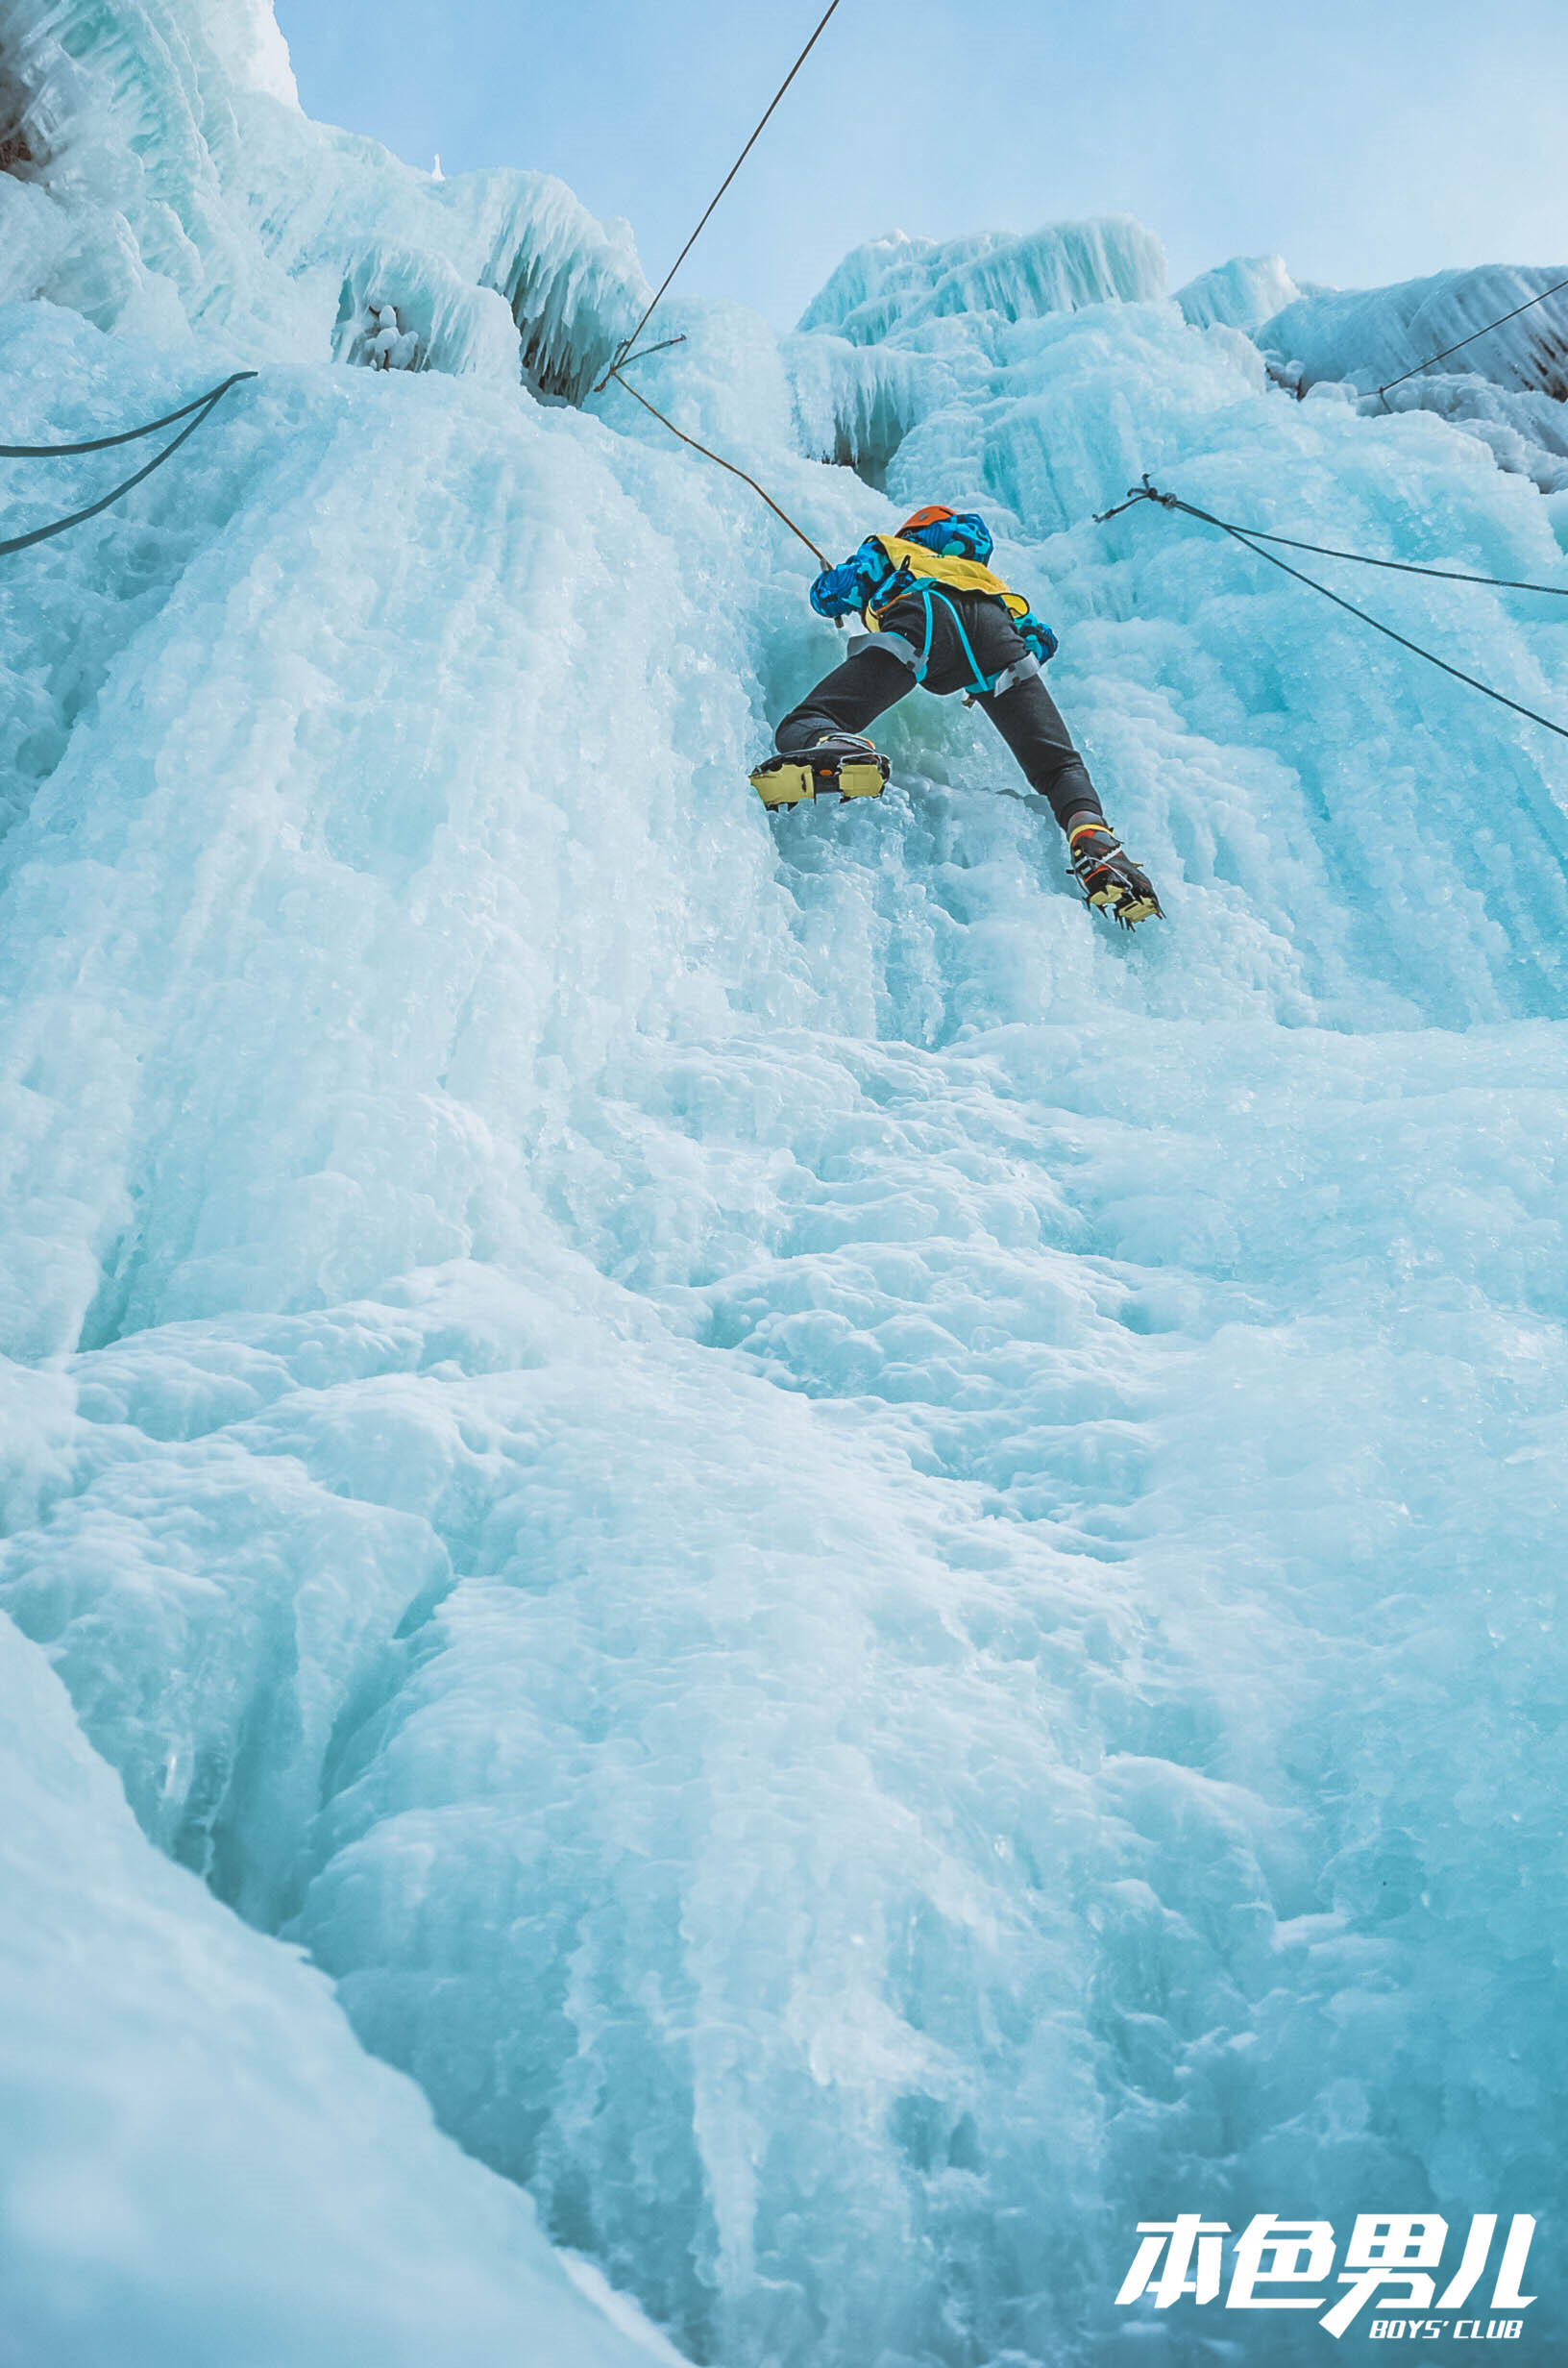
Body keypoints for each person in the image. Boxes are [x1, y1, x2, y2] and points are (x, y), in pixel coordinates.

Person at [771, 504, 1161, 927]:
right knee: (1059, 765)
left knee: (805, 721)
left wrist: (830, 586)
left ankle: (834, 743)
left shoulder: (892, 549)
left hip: (927, 615)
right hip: (998, 635)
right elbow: (1041, 639)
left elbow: (832, 594)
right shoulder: (983, 575)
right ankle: (1092, 837)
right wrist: (991, 676)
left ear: (916, 531)